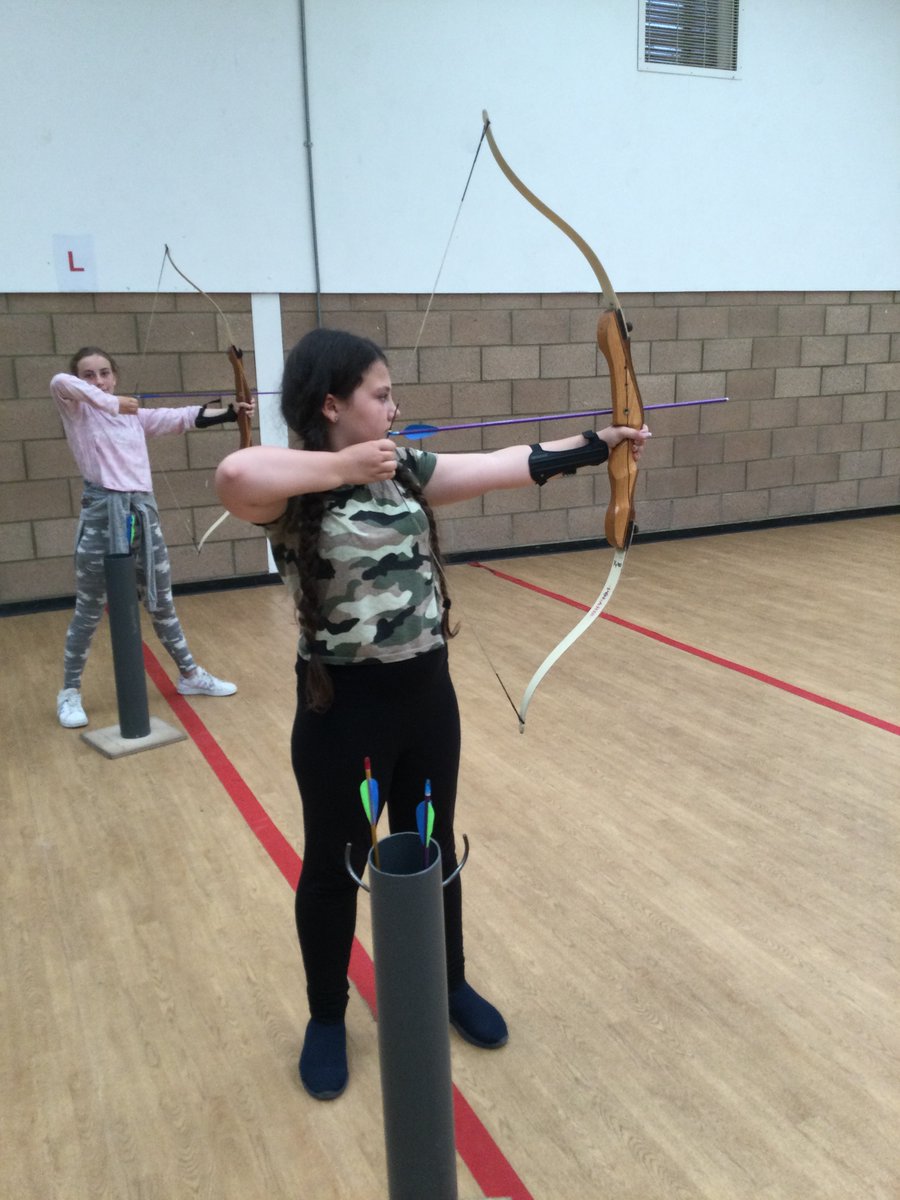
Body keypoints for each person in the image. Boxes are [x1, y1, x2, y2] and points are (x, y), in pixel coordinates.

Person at [215, 327, 650, 1100]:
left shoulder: (404, 470)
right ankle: (327, 1016)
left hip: (424, 702)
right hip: (342, 714)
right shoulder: (291, 488)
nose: (393, 408)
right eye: (380, 395)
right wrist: (346, 466)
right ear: (331, 405)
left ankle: (447, 983)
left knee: (431, 846)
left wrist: (598, 445)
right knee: (335, 865)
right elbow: (233, 473)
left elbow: (495, 466)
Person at [51, 346, 254, 729]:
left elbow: (178, 417)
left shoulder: (134, 418)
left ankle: (189, 674)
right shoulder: (77, 411)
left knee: (160, 600)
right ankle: (70, 691)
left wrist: (232, 412)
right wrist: (112, 403)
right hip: (103, 515)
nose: (98, 381)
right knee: (89, 608)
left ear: (115, 376)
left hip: (140, 515)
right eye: (89, 375)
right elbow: (59, 381)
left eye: (105, 373)